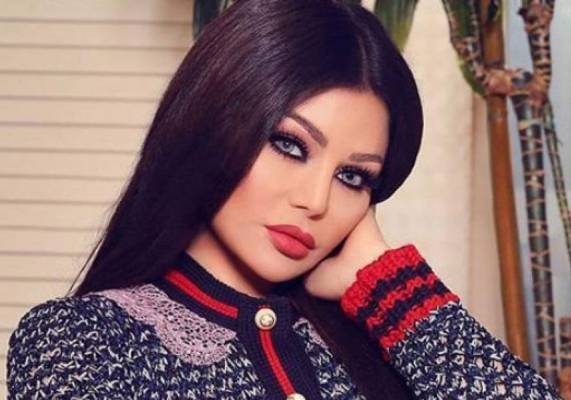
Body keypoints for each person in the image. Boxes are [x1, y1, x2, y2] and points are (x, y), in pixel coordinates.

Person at [5, 0, 563, 399]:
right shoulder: (81, 341)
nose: (316, 201)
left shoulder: (384, 339)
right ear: (213, 122)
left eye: (353, 177)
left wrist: (389, 285)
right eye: (290, 145)